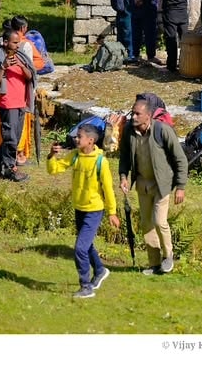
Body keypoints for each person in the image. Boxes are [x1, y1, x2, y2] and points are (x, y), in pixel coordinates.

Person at [118, 95, 188, 275]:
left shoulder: (162, 131)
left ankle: (168, 256)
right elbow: (125, 157)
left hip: (162, 184)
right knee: (146, 224)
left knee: (159, 221)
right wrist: (123, 176)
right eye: (133, 113)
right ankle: (154, 264)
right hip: (142, 183)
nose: (133, 117)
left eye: (137, 114)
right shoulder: (128, 131)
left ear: (148, 116)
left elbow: (180, 159)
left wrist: (180, 186)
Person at [50, 124, 120, 298]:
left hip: (94, 211)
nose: (76, 139)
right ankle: (100, 270)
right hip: (79, 208)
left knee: (80, 248)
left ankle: (86, 287)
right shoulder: (75, 156)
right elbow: (54, 169)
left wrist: (112, 212)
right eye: (76, 136)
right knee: (86, 246)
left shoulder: (100, 162)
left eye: (79, 136)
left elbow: (108, 189)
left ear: (91, 140)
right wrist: (52, 155)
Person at [0, 28, 34, 182]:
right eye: (14, 42)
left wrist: (21, 66)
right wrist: (3, 67)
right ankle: (9, 168)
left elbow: (30, 76)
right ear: (5, 43)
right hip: (8, 104)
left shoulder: (21, 57)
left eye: (18, 42)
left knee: (14, 136)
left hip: (21, 103)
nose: (18, 45)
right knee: (11, 137)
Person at [160, 0, 191, 74]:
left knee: (171, 39)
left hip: (171, 12)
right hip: (183, 11)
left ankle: (171, 65)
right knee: (184, 39)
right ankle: (185, 63)